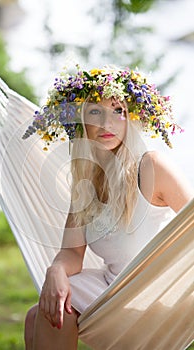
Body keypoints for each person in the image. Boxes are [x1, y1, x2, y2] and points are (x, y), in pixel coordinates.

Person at [22, 65, 194, 350]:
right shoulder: (85, 183)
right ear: (81, 123)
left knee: (57, 312)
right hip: (113, 288)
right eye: (94, 113)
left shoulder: (149, 166)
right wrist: (55, 272)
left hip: (156, 293)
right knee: (39, 315)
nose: (107, 124)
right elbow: (71, 253)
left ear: (130, 118)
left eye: (117, 111)